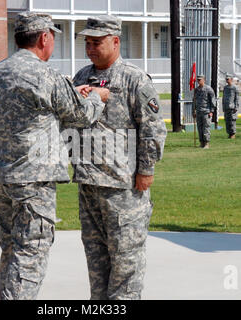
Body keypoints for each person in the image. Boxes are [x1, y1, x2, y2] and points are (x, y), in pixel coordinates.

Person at [0, 12, 109, 300]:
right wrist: (95, 98)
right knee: (31, 253)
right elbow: (81, 115)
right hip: (34, 180)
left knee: (12, 250)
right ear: (44, 38)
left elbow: (28, 109)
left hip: (3, 177)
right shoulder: (45, 74)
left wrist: (70, 92)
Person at [73, 15, 167, 300]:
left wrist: (146, 169)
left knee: (126, 263)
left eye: (96, 42)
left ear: (115, 41)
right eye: (87, 43)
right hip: (88, 185)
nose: (90, 48)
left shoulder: (134, 79)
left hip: (123, 187)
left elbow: (152, 129)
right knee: (97, 262)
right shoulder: (81, 78)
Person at [193, 75, 216, 149]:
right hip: (199, 112)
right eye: (198, 80)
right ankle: (201, 142)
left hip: (206, 111)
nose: (198, 81)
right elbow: (194, 101)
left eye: (200, 80)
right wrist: (193, 111)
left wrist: (212, 111)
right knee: (199, 128)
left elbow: (212, 100)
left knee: (206, 128)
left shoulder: (208, 89)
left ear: (204, 80)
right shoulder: (196, 90)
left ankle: (206, 143)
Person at [222, 74, 239, 139]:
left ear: (231, 79)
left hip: (232, 107)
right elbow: (223, 98)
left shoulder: (235, 87)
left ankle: (233, 134)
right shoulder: (225, 87)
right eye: (226, 79)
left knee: (232, 121)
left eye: (228, 79)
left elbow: (237, 98)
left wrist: (236, 107)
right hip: (226, 107)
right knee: (227, 121)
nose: (227, 80)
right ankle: (229, 133)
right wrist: (223, 107)